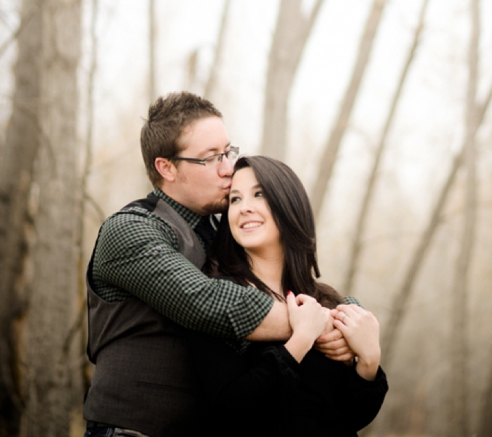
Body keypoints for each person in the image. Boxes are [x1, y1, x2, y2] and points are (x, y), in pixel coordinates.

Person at [83, 92, 351, 437]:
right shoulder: (131, 230)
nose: (228, 168)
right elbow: (206, 302)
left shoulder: (225, 231)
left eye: (228, 152)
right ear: (166, 167)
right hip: (131, 431)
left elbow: (289, 281)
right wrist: (321, 325)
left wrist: (351, 316)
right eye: (211, 159)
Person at [189, 155, 388, 437]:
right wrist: (300, 341)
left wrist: (369, 360)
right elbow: (230, 409)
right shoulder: (219, 297)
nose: (244, 208)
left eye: (259, 194)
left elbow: (350, 415)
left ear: (288, 204)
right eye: (234, 199)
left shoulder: (324, 300)